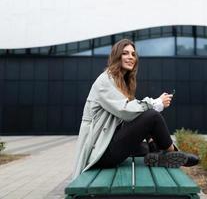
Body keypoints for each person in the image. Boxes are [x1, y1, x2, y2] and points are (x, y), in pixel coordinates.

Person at [72, 39, 199, 179]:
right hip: (100, 153)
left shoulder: (121, 82)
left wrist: (150, 136)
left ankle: (157, 154)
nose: (130, 57)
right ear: (116, 56)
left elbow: (133, 115)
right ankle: (173, 153)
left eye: (133, 54)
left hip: (108, 143)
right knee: (152, 115)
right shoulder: (105, 81)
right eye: (125, 53)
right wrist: (155, 103)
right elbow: (125, 111)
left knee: (145, 148)